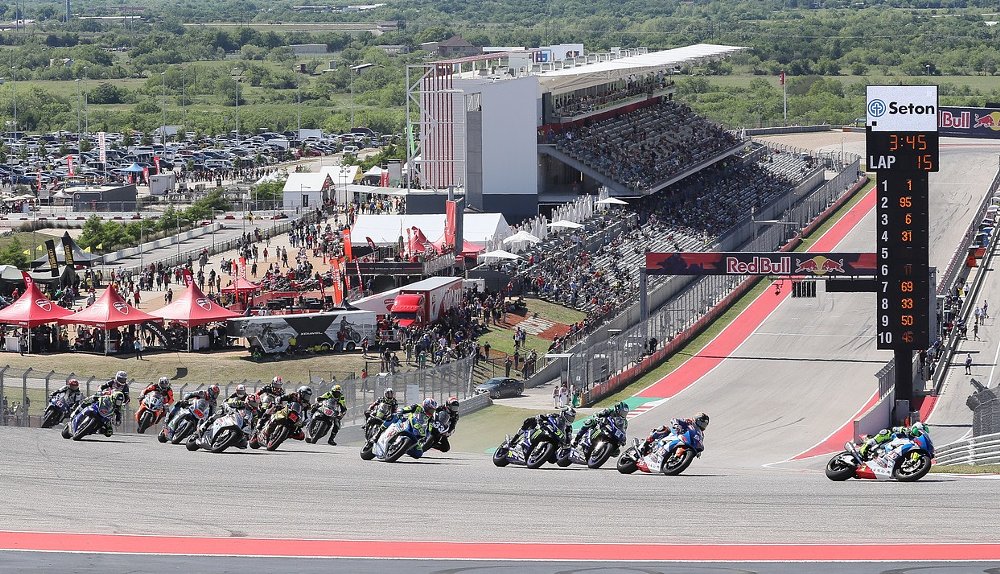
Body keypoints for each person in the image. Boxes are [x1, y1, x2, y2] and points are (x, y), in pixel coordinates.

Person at [640, 412, 709, 455]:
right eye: (701, 423)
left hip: (684, 442)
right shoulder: (688, 421)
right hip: (674, 435)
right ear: (695, 419)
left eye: (704, 424)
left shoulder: (701, 434)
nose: (702, 425)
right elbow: (674, 419)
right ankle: (644, 444)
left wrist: (698, 451)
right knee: (664, 429)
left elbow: (699, 442)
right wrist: (676, 425)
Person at [859, 422, 930, 459]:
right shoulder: (906, 431)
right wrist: (901, 430)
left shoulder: (915, 442)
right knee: (885, 432)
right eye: (918, 431)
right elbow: (894, 429)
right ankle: (866, 446)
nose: (918, 433)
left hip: (895, 454)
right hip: (886, 445)